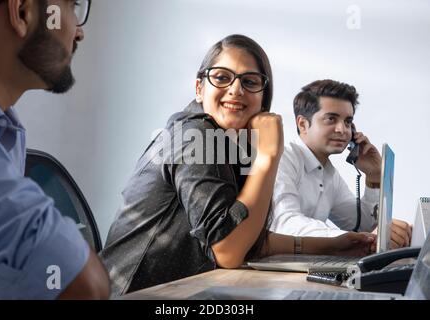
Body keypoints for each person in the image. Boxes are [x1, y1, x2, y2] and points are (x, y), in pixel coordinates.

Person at [100, 34, 375, 297]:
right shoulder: (195, 135)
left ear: (263, 96)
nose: (235, 90)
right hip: (135, 294)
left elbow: (251, 239)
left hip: (186, 289)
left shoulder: (234, 145)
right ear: (199, 88)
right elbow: (229, 250)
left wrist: (334, 246)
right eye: (221, 77)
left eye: (250, 81)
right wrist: (268, 158)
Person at [0, 0, 109, 299]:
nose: (79, 33)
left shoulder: (5, 130)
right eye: (72, 6)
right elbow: (85, 284)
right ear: (23, 12)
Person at [269, 79, 412, 250]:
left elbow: (362, 226)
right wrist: (352, 238)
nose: (343, 130)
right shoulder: (283, 158)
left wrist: (373, 176)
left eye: (347, 122)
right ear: (303, 124)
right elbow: (286, 224)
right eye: (331, 119)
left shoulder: (329, 174)